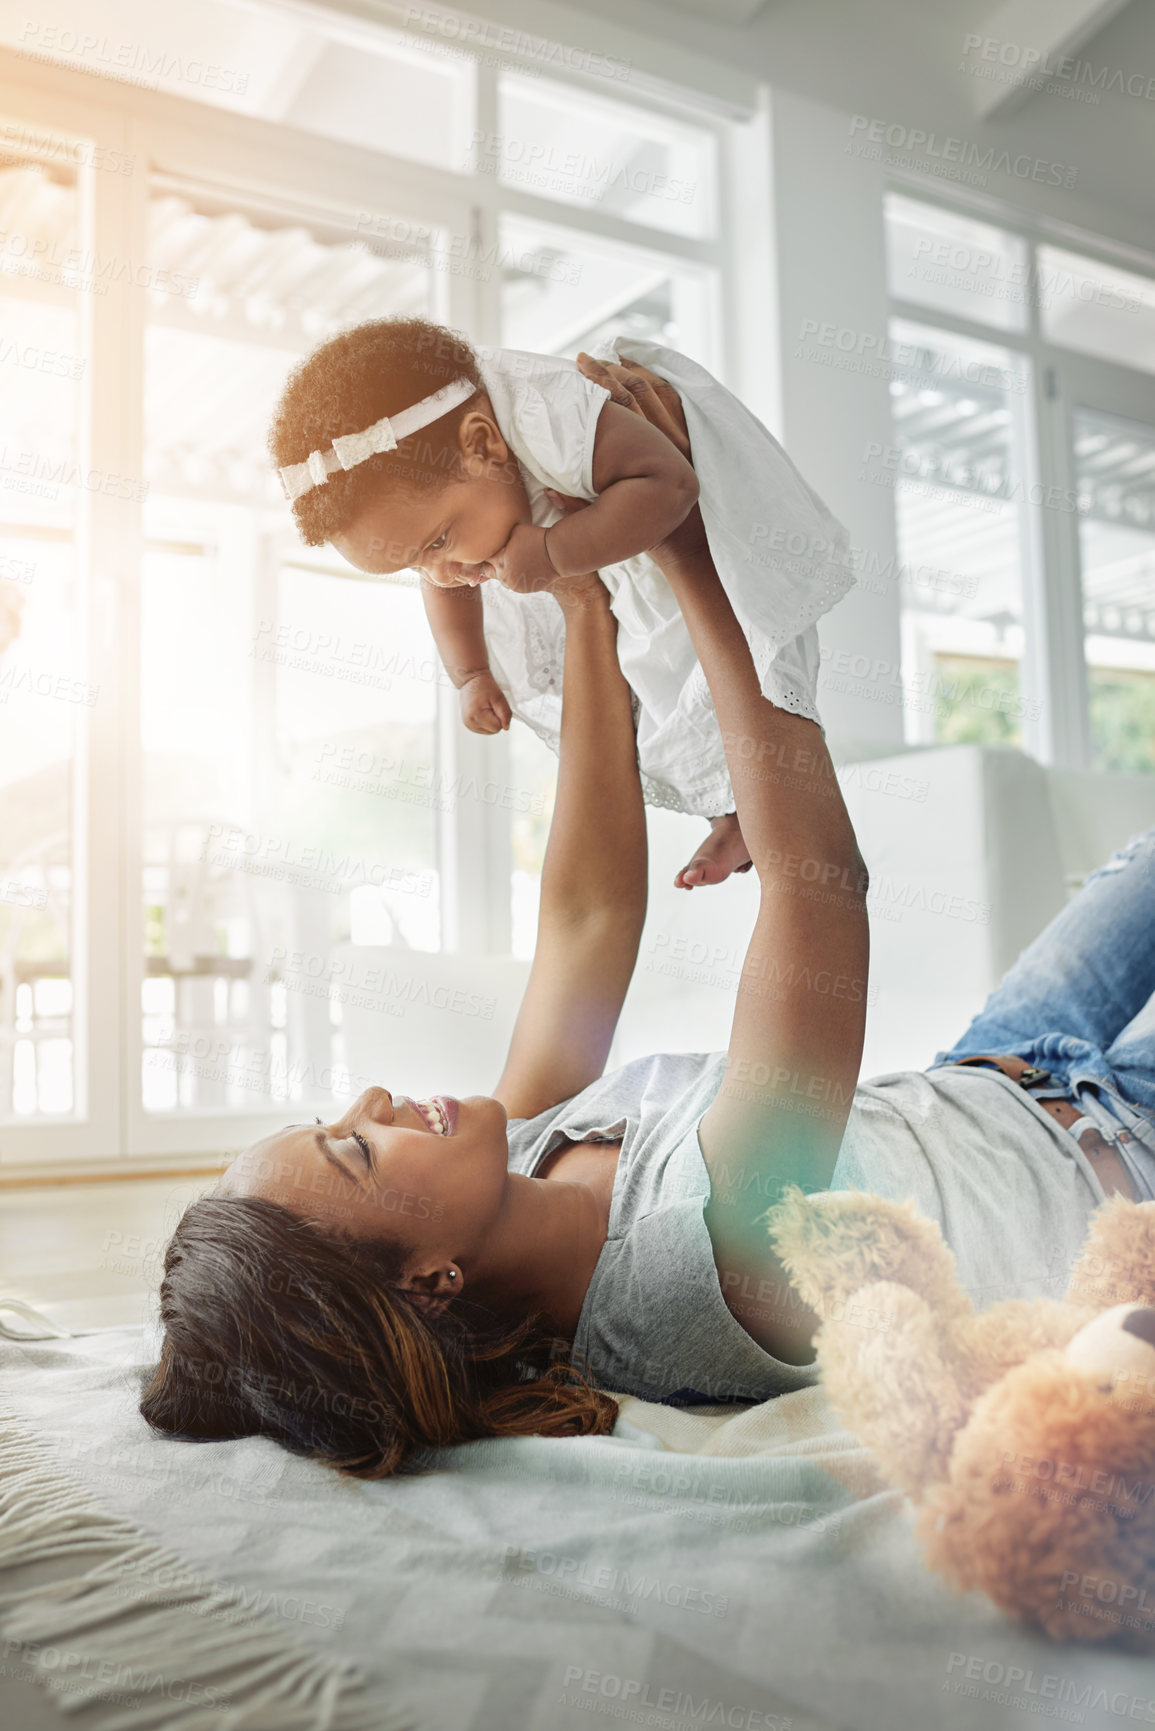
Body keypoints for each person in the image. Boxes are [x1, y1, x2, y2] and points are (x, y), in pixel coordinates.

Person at [141, 359, 1155, 1483]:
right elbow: (819, 884)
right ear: (431, 1281)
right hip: (1120, 1161)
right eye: (354, 1146)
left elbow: (585, 914)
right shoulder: (700, 1266)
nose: (373, 1099)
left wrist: (584, 604)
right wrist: (689, 549)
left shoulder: (515, 1154)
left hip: (995, 1067)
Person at [266, 316, 853, 888]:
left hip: (681, 512)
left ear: (484, 444)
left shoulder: (554, 411)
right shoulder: (441, 494)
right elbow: (438, 582)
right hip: (613, 547)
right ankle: (729, 813)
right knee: (649, 690)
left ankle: (771, 824)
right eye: (414, 562)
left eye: (438, 542)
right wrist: (470, 673)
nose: (439, 575)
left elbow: (670, 485)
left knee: (734, 664)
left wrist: (553, 552)